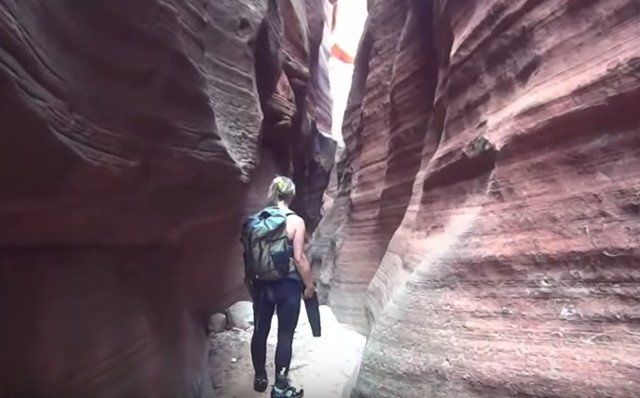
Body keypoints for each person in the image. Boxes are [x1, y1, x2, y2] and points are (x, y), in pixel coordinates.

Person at [248, 176, 316, 398]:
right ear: (291, 195)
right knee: (285, 334)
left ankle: (259, 378)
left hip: (261, 284)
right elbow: (299, 258)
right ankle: (280, 388)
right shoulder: (295, 221)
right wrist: (309, 285)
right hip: (287, 285)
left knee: (260, 331)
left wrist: (250, 282)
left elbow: (248, 255)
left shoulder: (257, 220)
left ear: (271, 193)